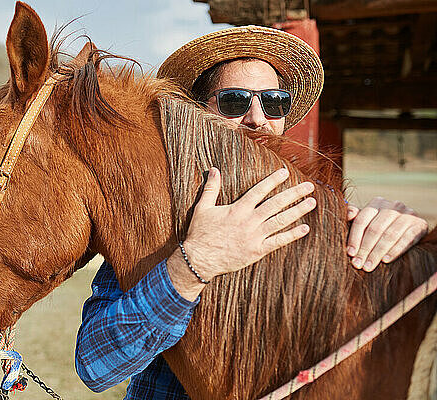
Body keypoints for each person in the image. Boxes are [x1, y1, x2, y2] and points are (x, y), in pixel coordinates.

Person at [75, 26, 429, 399]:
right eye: (234, 101)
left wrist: (407, 235)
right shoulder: (160, 225)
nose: (258, 118)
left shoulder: (320, 216)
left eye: (274, 102)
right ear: (198, 117)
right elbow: (97, 367)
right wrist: (192, 265)